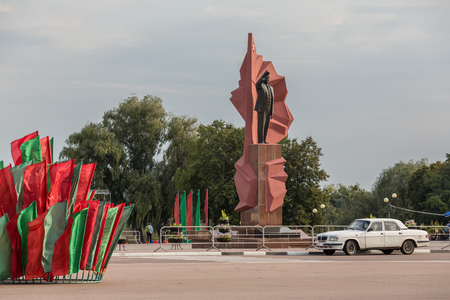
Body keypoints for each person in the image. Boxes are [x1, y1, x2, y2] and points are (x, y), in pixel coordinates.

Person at [254, 70, 274, 144]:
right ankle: (260, 140)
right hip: (262, 109)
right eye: (266, 77)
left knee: (266, 125)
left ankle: (264, 140)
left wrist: (271, 112)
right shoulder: (260, 86)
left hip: (269, 109)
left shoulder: (271, 88)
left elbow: (272, 101)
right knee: (261, 125)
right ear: (263, 78)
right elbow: (257, 84)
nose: (267, 79)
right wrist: (263, 75)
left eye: (268, 78)